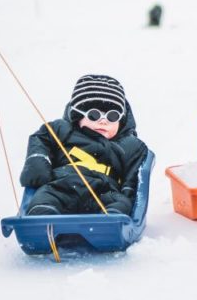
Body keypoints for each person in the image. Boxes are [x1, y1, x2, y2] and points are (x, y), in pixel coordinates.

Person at [19, 75, 149, 216]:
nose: (103, 121)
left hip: (105, 190)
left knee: (121, 203)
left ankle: (110, 221)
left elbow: (134, 173)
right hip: (62, 185)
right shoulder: (62, 130)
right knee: (45, 196)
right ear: (78, 115)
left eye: (112, 116)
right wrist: (38, 164)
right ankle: (44, 218)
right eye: (94, 115)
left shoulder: (128, 145)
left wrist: (128, 194)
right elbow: (41, 139)